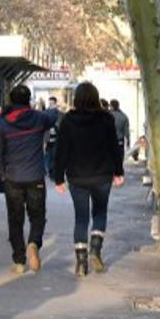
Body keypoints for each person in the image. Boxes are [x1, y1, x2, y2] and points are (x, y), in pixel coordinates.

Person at [54, 83, 125, 276]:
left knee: (81, 218)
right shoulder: (106, 119)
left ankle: (81, 262)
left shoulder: (68, 120)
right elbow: (114, 148)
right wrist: (119, 172)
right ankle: (95, 248)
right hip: (102, 175)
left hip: (77, 177)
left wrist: (58, 177)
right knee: (100, 213)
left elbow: (61, 150)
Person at [0, 85, 60, 274]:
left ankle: (20, 261)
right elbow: (54, 115)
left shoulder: (3, 124)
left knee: (15, 220)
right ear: (29, 99)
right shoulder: (39, 118)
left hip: (13, 178)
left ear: (11, 101)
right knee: (37, 216)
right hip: (35, 176)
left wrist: (3, 174)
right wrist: (53, 108)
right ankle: (33, 243)